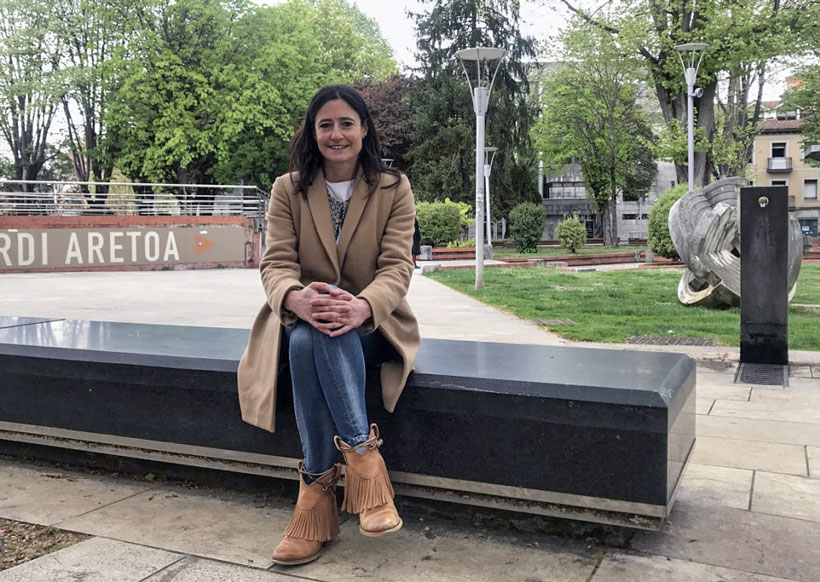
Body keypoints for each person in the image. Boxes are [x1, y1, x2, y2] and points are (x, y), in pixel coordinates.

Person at [237, 85, 420, 566]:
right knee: (307, 337)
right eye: (325, 125)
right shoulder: (288, 188)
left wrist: (361, 307)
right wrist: (295, 297)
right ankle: (365, 464)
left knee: (312, 339)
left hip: (373, 325)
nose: (336, 134)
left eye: (346, 124)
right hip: (303, 316)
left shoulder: (393, 187)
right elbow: (276, 262)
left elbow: (397, 267)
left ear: (364, 130)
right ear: (312, 132)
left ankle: (315, 497)